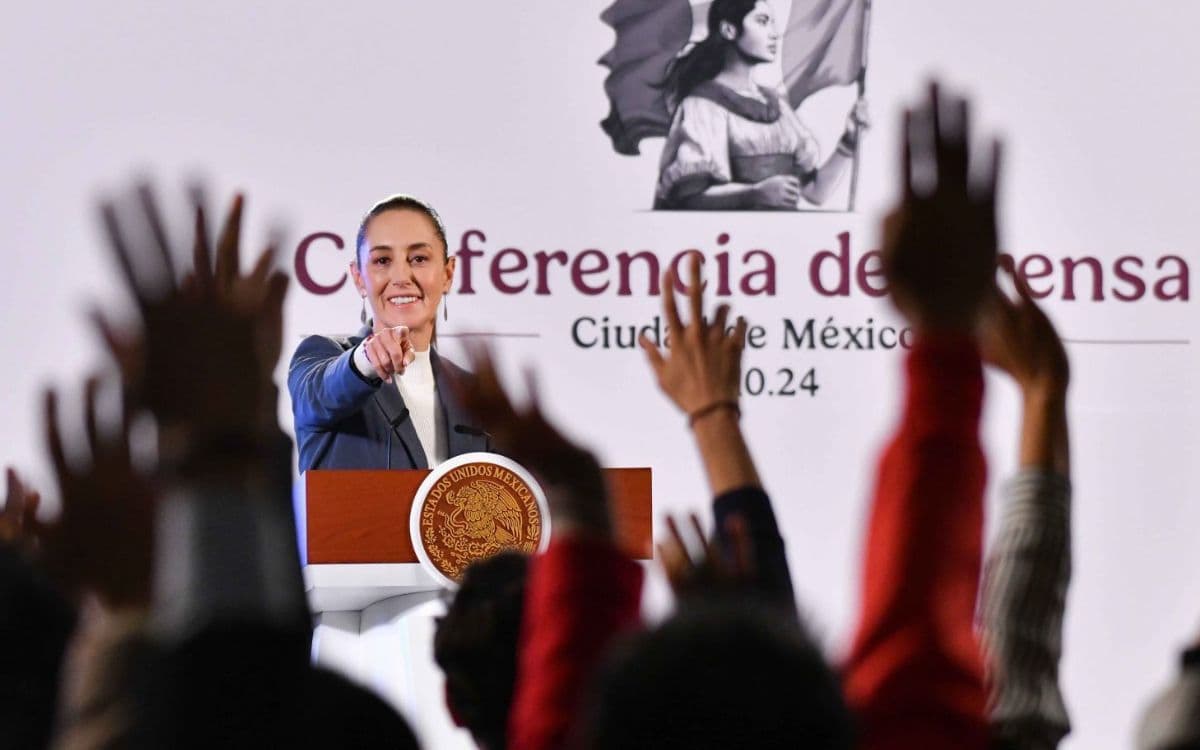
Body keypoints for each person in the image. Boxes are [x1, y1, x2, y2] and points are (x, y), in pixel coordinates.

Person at [289, 194, 487, 471]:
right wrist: (366, 360)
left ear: (448, 273)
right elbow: (319, 393)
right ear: (359, 277)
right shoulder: (320, 355)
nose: (401, 277)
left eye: (418, 258)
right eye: (382, 260)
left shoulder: (473, 393)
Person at [655, 0, 867, 210]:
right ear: (729, 30)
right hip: (730, 232)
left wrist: (848, 142)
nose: (774, 34)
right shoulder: (703, 105)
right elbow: (689, 197)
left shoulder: (777, 105)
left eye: (772, 23)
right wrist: (753, 194)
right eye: (762, 21)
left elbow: (815, 193)